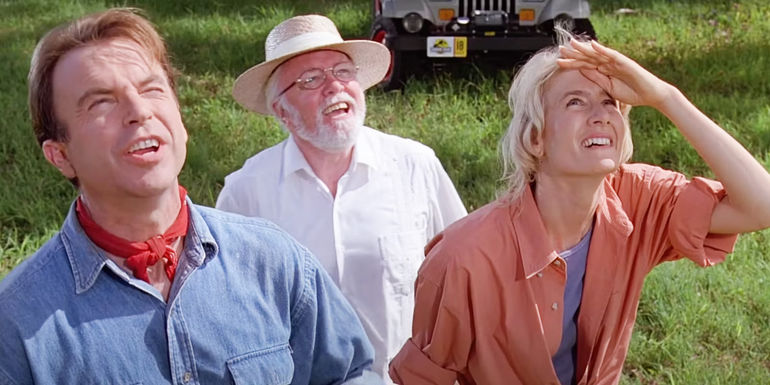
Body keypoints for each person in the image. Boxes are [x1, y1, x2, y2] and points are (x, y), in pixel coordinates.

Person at [0, 8, 380, 384]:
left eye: (151, 89)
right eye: (101, 101)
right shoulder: (16, 322)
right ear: (60, 155)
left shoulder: (274, 261)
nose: (139, 111)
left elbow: (348, 375)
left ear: (180, 122)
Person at [388, 28, 770, 384]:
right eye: (576, 101)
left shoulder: (640, 198)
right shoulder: (462, 261)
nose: (601, 115)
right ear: (535, 138)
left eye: (609, 102)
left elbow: (761, 206)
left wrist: (665, 97)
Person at [215, 14, 467, 380]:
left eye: (343, 72)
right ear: (282, 111)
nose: (334, 87)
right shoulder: (246, 193)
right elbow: (231, 317)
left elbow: (463, 281)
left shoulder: (415, 165)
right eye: (311, 79)